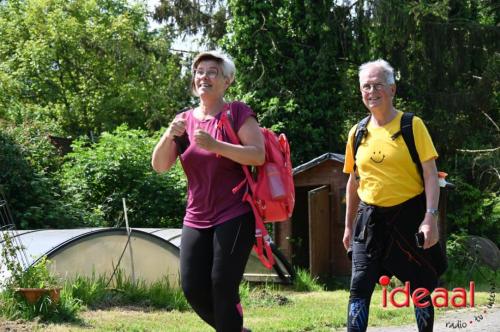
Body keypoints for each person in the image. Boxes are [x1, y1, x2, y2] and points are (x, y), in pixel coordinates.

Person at [151, 51, 264, 332]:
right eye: (199, 71)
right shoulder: (184, 120)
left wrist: (217, 146)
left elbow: (258, 155)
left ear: (227, 80)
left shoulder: (237, 112)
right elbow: (160, 166)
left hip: (235, 212)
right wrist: (168, 134)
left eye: (212, 71)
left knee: (222, 286)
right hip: (196, 216)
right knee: (192, 287)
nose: (204, 77)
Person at [342, 59, 445, 332]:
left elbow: (430, 175)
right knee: (359, 286)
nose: (371, 91)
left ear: (392, 89)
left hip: (408, 217)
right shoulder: (357, 132)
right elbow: (353, 180)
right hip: (370, 221)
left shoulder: (412, 125)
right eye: (366, 86)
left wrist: (430, 218)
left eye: (377, 85)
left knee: (420, 286)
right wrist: (348, 226)